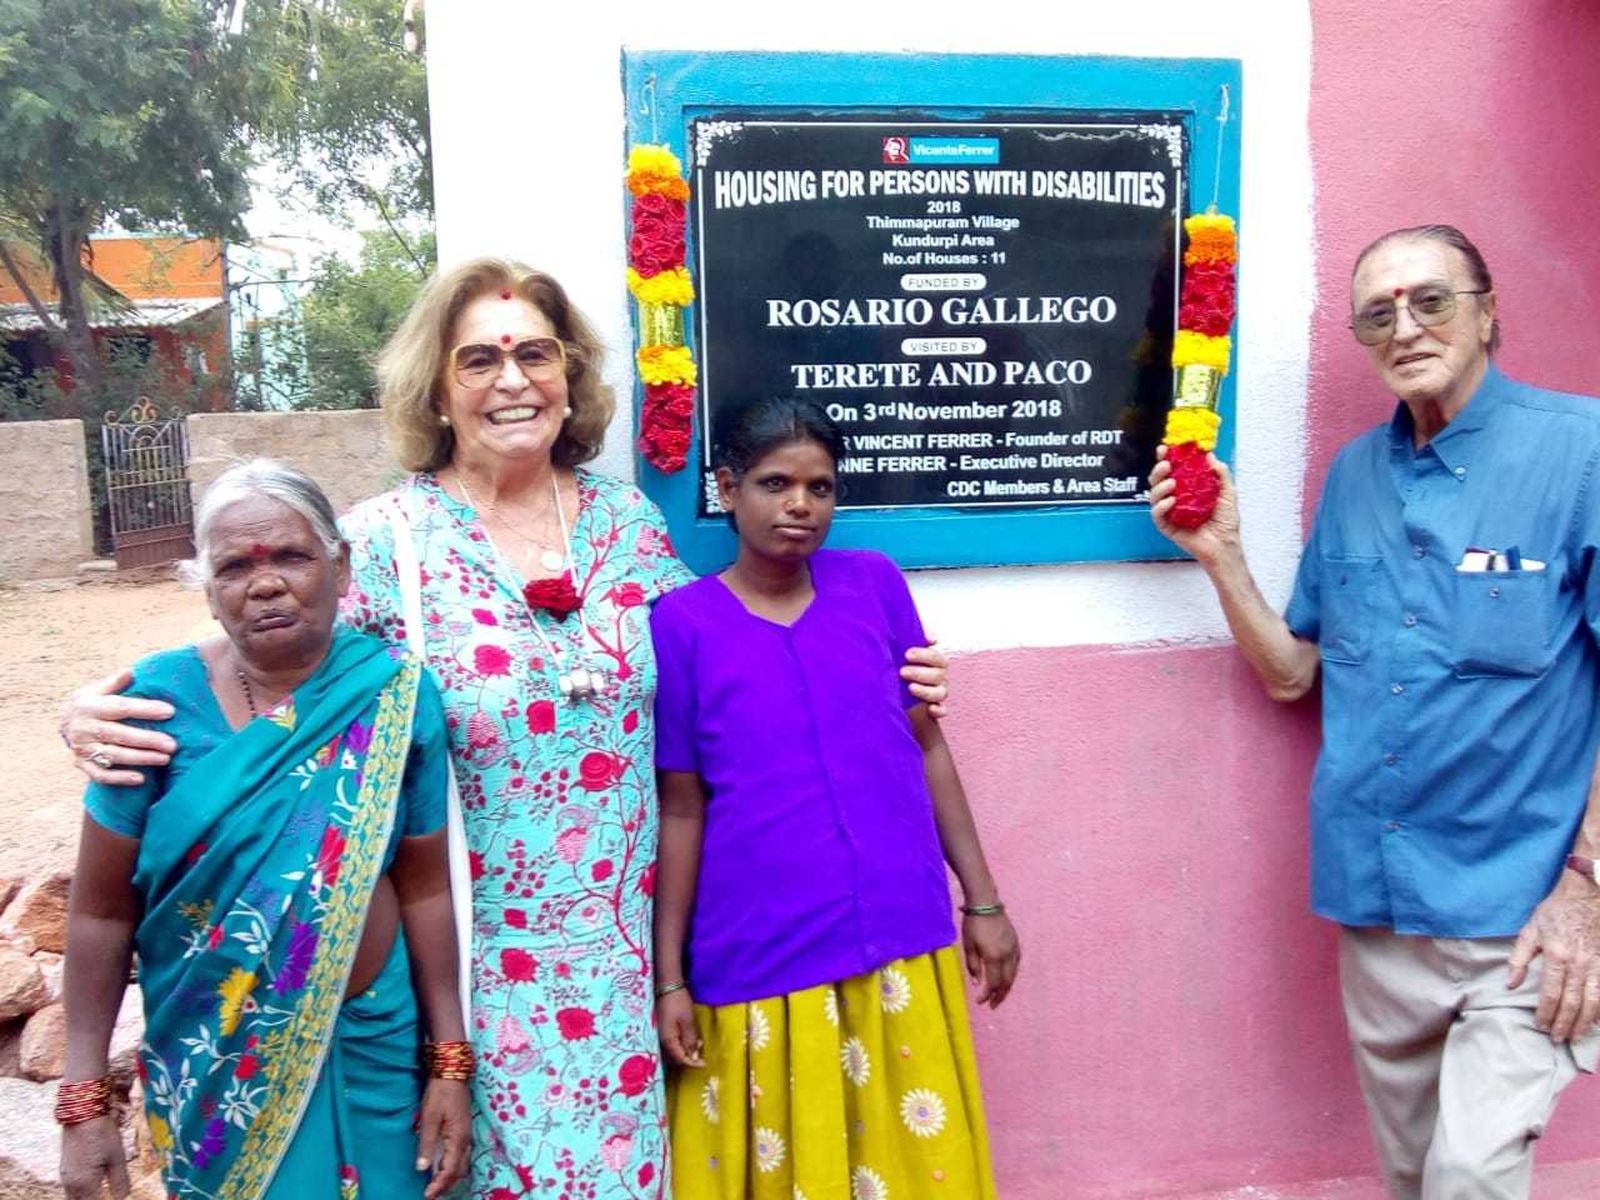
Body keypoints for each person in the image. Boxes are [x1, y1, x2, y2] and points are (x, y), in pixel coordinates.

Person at [61, 259, 951, 1198]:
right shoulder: (390, 541)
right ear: (438, 391)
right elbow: (260, 652)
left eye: (534, 352)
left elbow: (733, 672)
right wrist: (88, 711)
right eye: (478, 359)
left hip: (627, 967)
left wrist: (896, 674)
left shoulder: (628, 524)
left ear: (568, 376)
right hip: (470, 975)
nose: (513, 379)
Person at [1149, 224, 1600, 1199]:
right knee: (1412, 1183)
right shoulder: (1353, 477)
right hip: (1379, 910)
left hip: (1520, 914)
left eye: (1430, 299)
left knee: (1471, 1179)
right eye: (1376, 312)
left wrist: (1585, 884)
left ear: (1488, 313)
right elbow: (1290, 674)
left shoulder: (1581, 453)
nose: (1403, 326)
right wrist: (1219, 556)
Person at [59, 461, 469, 1200]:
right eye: (235, 566)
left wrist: (448, 1062)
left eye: (291, 556)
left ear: (340, 568)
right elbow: (97, 912)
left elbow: (425, 888)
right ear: (208, 592)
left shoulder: (396, 692)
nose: (267, 582)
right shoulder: (152, 707)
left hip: (379, 1042)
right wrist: (82, 1099)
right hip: (218, 1061)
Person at [650, 397, 1019, 1199]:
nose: (799, 505)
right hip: (758, 950)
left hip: (896, 928)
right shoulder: (680, 625)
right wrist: (669, 975)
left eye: (820, 487)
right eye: (775, 482)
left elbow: (927, 746)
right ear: (726, 487)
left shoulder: (872, 585)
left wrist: (982, 903)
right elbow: (681, 806)